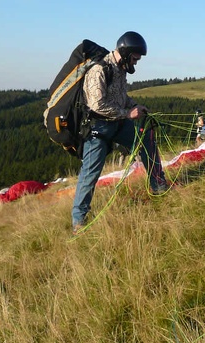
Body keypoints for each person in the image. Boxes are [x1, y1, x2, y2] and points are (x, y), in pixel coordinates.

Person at [71, 31, 169, 234]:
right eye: (135, 58)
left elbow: (121, 98)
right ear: (125, 53)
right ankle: (78, 221)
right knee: (90, 174)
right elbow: (97, 104)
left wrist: (136, 106)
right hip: (98, 129)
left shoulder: (120, 70)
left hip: (118, 124)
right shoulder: (99, 70)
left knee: (146, 140)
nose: (136, 62)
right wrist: (127, 113)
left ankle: (158, 186)